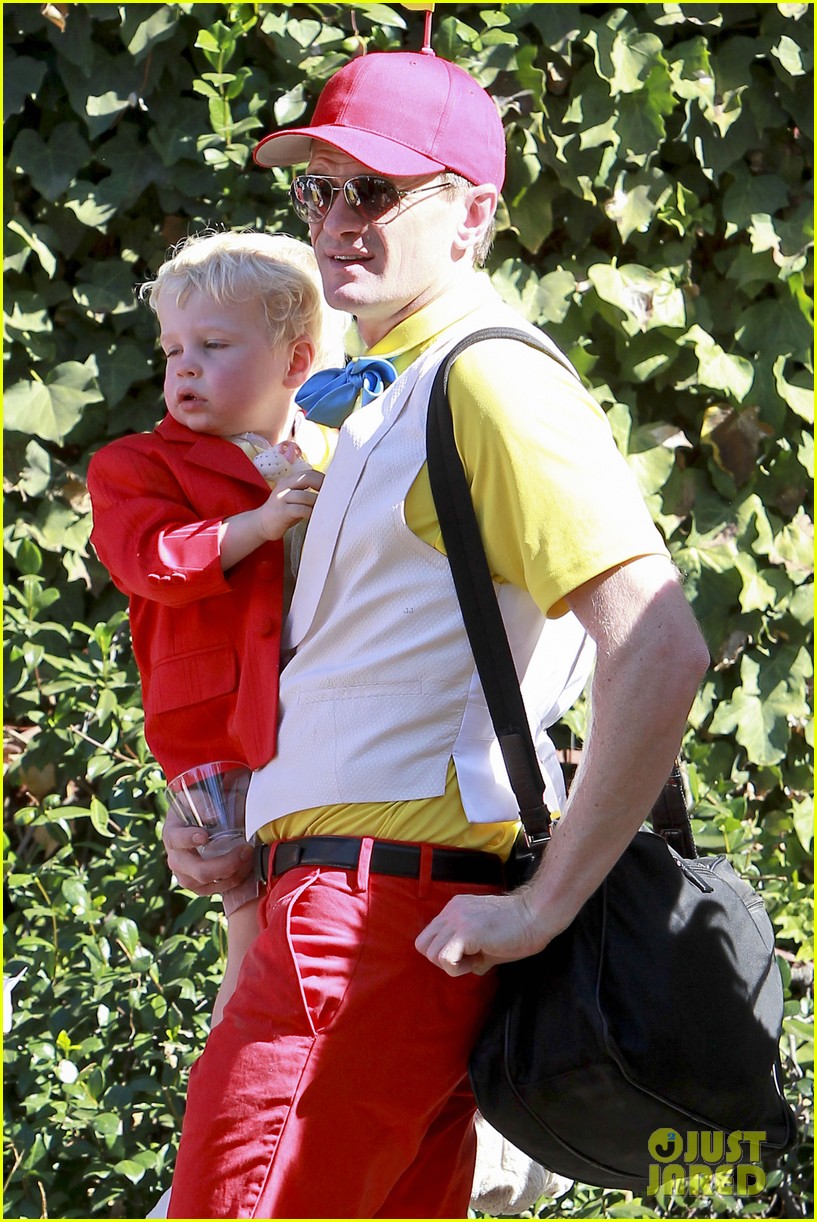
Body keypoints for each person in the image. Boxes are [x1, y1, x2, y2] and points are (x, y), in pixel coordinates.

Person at [162, 50, 710, 1219]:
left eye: (375, 190)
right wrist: (244, 817)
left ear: (471, 215)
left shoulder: (487, 380)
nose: (337, 220)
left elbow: (659, 643)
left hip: (366, 933)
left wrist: (545, 905)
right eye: (318, 188)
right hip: (355, 921)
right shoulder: (384, 385)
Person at [87, 229, 345, 1020]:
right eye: (172, 348)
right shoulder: (138, 463)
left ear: (295, 364)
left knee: (310, 902)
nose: (184, 365)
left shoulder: (335, 451)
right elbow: (151, 559)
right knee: (246, 911)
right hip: (213, 725)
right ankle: (236, 1072)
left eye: (213, 343)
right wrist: (254, 530)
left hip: (316, 716)